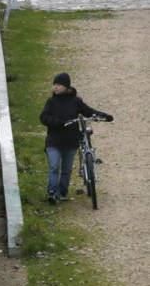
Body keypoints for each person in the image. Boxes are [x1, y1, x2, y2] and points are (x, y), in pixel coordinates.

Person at [39, 72, 113, 204]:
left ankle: (62, 191)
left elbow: (89, 111)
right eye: (54, 85)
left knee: (67, 169)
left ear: (66, 87)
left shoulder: (76, 102)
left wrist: (104, 116)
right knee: (54, 166)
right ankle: (52, 192)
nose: (55, 87)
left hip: (70, 141)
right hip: (54, 141)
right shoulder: (51, 102)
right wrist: (57, 122)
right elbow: (43, 117)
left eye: (58, 85)